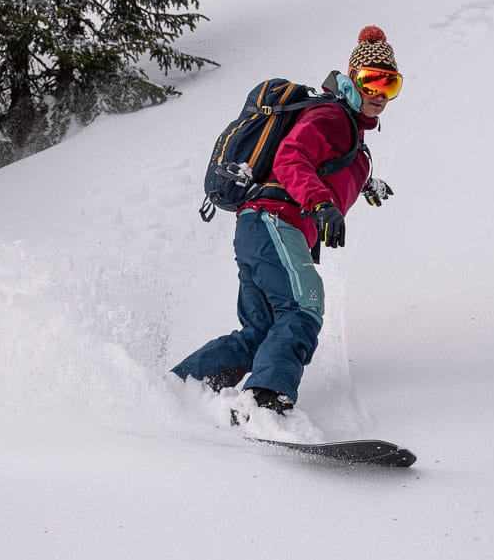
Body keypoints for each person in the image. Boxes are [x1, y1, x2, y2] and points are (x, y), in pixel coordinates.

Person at [171, 26, 401, 417]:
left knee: (258, 333)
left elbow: (322, 167)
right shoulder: (332, 116)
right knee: (302, 309)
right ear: (352, 78)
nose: (379, 93)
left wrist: (364, 185)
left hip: (259, 228)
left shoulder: (351, 138)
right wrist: (322, 204)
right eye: (371, 80)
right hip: (276, 222)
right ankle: (263, 402)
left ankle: (178, 388)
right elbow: (290, 158)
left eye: (390, 84)